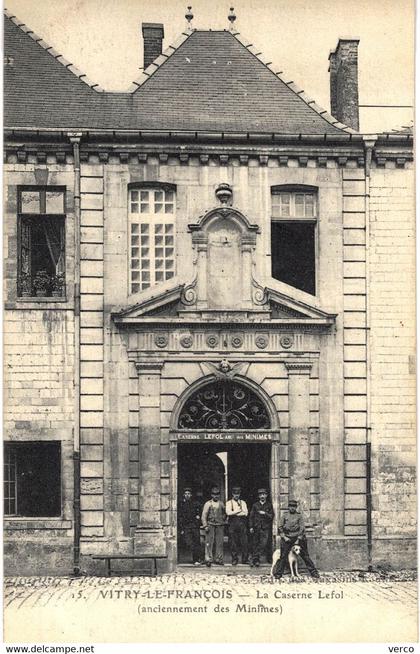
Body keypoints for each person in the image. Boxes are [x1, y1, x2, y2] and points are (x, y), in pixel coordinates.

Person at [273, 499, 320, 578]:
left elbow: (302, 528)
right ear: (288, 507)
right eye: (291, 506)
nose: (292, 508)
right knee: (283, 556)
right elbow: (280, 527)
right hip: (287, 538)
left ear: (296, 507)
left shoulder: (299, 516)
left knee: (305, 555)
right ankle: (278, 573)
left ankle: (314, 572)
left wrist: (298, 539)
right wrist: (284, 537)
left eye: (294, 506)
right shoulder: (284, 516)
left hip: (297, 537)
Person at [201, 486, 226, 567]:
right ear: (211, 495)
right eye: (214, 494)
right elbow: (204, 515)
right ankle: (208, 559)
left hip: (219, 525)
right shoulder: (208, 504)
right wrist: (205, 526)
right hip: (210, 525)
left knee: (219, 543)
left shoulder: (221, 504)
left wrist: (223, 520)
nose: (216, 496)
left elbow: (225, 513)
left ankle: (219, 559)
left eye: (217, 494)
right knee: (209, 542)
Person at [249, 488, 274, 567]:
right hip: (257, 527)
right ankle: (256, 560)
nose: (262, 496)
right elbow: (251, 517)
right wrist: (251, 526)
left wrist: (265, 513)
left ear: (266, 495)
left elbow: (272, 516)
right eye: (260, 495)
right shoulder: (255, 505)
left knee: (263, 543)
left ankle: (253, 557)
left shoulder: (269, 505)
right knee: (255, 543)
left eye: (264, 494)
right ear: (259, 496)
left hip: (265, 528)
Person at [178, 487, 202, 565]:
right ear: (184, 495)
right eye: (186, 494)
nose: (187, 495)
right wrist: (181, 527)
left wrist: (198, 518)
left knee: (197, 542)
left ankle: (196, 559)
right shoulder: (181, 504)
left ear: (191, 495)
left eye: (189, 494)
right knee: (189, 542)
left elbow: (200, 512)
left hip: (194, 526)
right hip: (186, 526)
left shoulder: (195, 503)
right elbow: (180, 516)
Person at [226, 485, 248, 565]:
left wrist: (234, 512)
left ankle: (245, 559)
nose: (236, 495)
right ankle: (234, 559)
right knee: (233, 543)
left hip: (242, 524)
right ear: (232, 494)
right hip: (232, 524)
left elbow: (245, 513)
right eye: (235, 494)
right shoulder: (229, 503)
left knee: (244, 542)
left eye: (238, 494)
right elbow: (228, 513)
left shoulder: (243, 502)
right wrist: (238, 511)